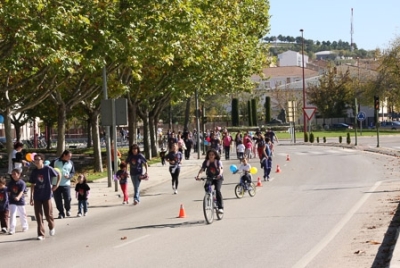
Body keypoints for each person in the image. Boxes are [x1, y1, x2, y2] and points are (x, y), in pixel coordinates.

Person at [29, 153, 60, 240]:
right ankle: (41, 234)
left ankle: (51, 226)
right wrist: (31, 197)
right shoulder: (34, 172)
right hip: (37, 196)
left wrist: (56, 185)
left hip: (46, 195)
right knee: (38, 216)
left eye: (38, 159)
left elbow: (58, 174)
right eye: (35, 160)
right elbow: (32, 184)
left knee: (48, 214)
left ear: (42, 160)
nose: (37, 161)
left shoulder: (48, 169)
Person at [196, 149, 224, 213]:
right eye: (210, 155)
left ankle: (220, 207)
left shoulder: (218, 162)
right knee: (206, 186)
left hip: (218, 178)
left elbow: (221, 169)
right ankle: (209, 196)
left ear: (215, 155)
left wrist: (219, 174)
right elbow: (202, 169)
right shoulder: (206, 162)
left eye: (212, 155)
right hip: (210, 177)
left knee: (217, 190)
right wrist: (198, 175)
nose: (211, 156)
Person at [50, 150, 75, 219]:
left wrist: (69, 176)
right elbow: (49, 169)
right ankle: (61, 212)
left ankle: (68, 209)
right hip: (55, 183)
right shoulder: (55, 161)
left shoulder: (71, 163)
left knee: (67, 198)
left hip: (66, 183)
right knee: (58, 200)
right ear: (64, 155)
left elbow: (72, 172)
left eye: (70, 156)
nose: (70, 158)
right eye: (68, 156)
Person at [7, 168, 29, 234]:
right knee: (12, 214)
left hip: (20, 201)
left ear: (19, 175)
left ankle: (25, 226)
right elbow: (9, 192)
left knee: (22, 214)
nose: (13, 175)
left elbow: (22, 191)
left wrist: (18, 197)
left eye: (15, 174)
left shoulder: (22, 183)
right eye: (12, 174)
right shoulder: (10, 183)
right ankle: (12, 229)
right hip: (12, 201)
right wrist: (9, 198)